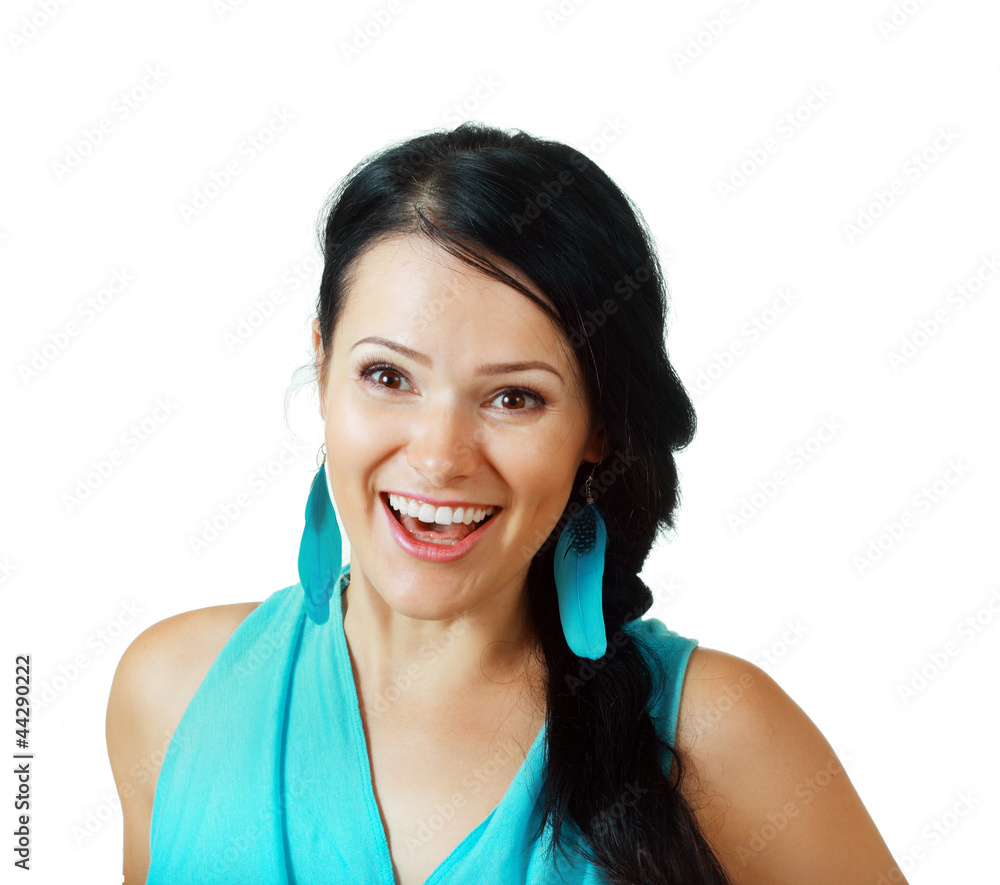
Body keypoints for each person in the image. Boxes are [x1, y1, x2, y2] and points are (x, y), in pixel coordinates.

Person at [105, 122, 908, 884]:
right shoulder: (171, 692)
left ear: (598, 426)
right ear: (323, 369)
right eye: (387, 376)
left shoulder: (721, 732)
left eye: (515, 397)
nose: (439, 457)